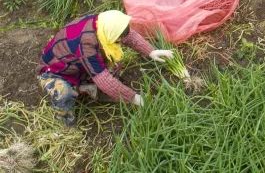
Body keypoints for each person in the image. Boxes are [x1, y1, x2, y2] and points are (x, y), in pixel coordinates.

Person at [38, 9, 173, 126]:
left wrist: (151, 51)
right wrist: (135, 98)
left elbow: (129, 36)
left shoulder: (103, 24)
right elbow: (104, 79)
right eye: (118, 39)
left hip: (77, 65)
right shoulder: (86, 45)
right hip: (56, 72)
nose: (121, 41)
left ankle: (84, 88)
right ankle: (64, 121)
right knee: (64, 93)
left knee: (113, 64)